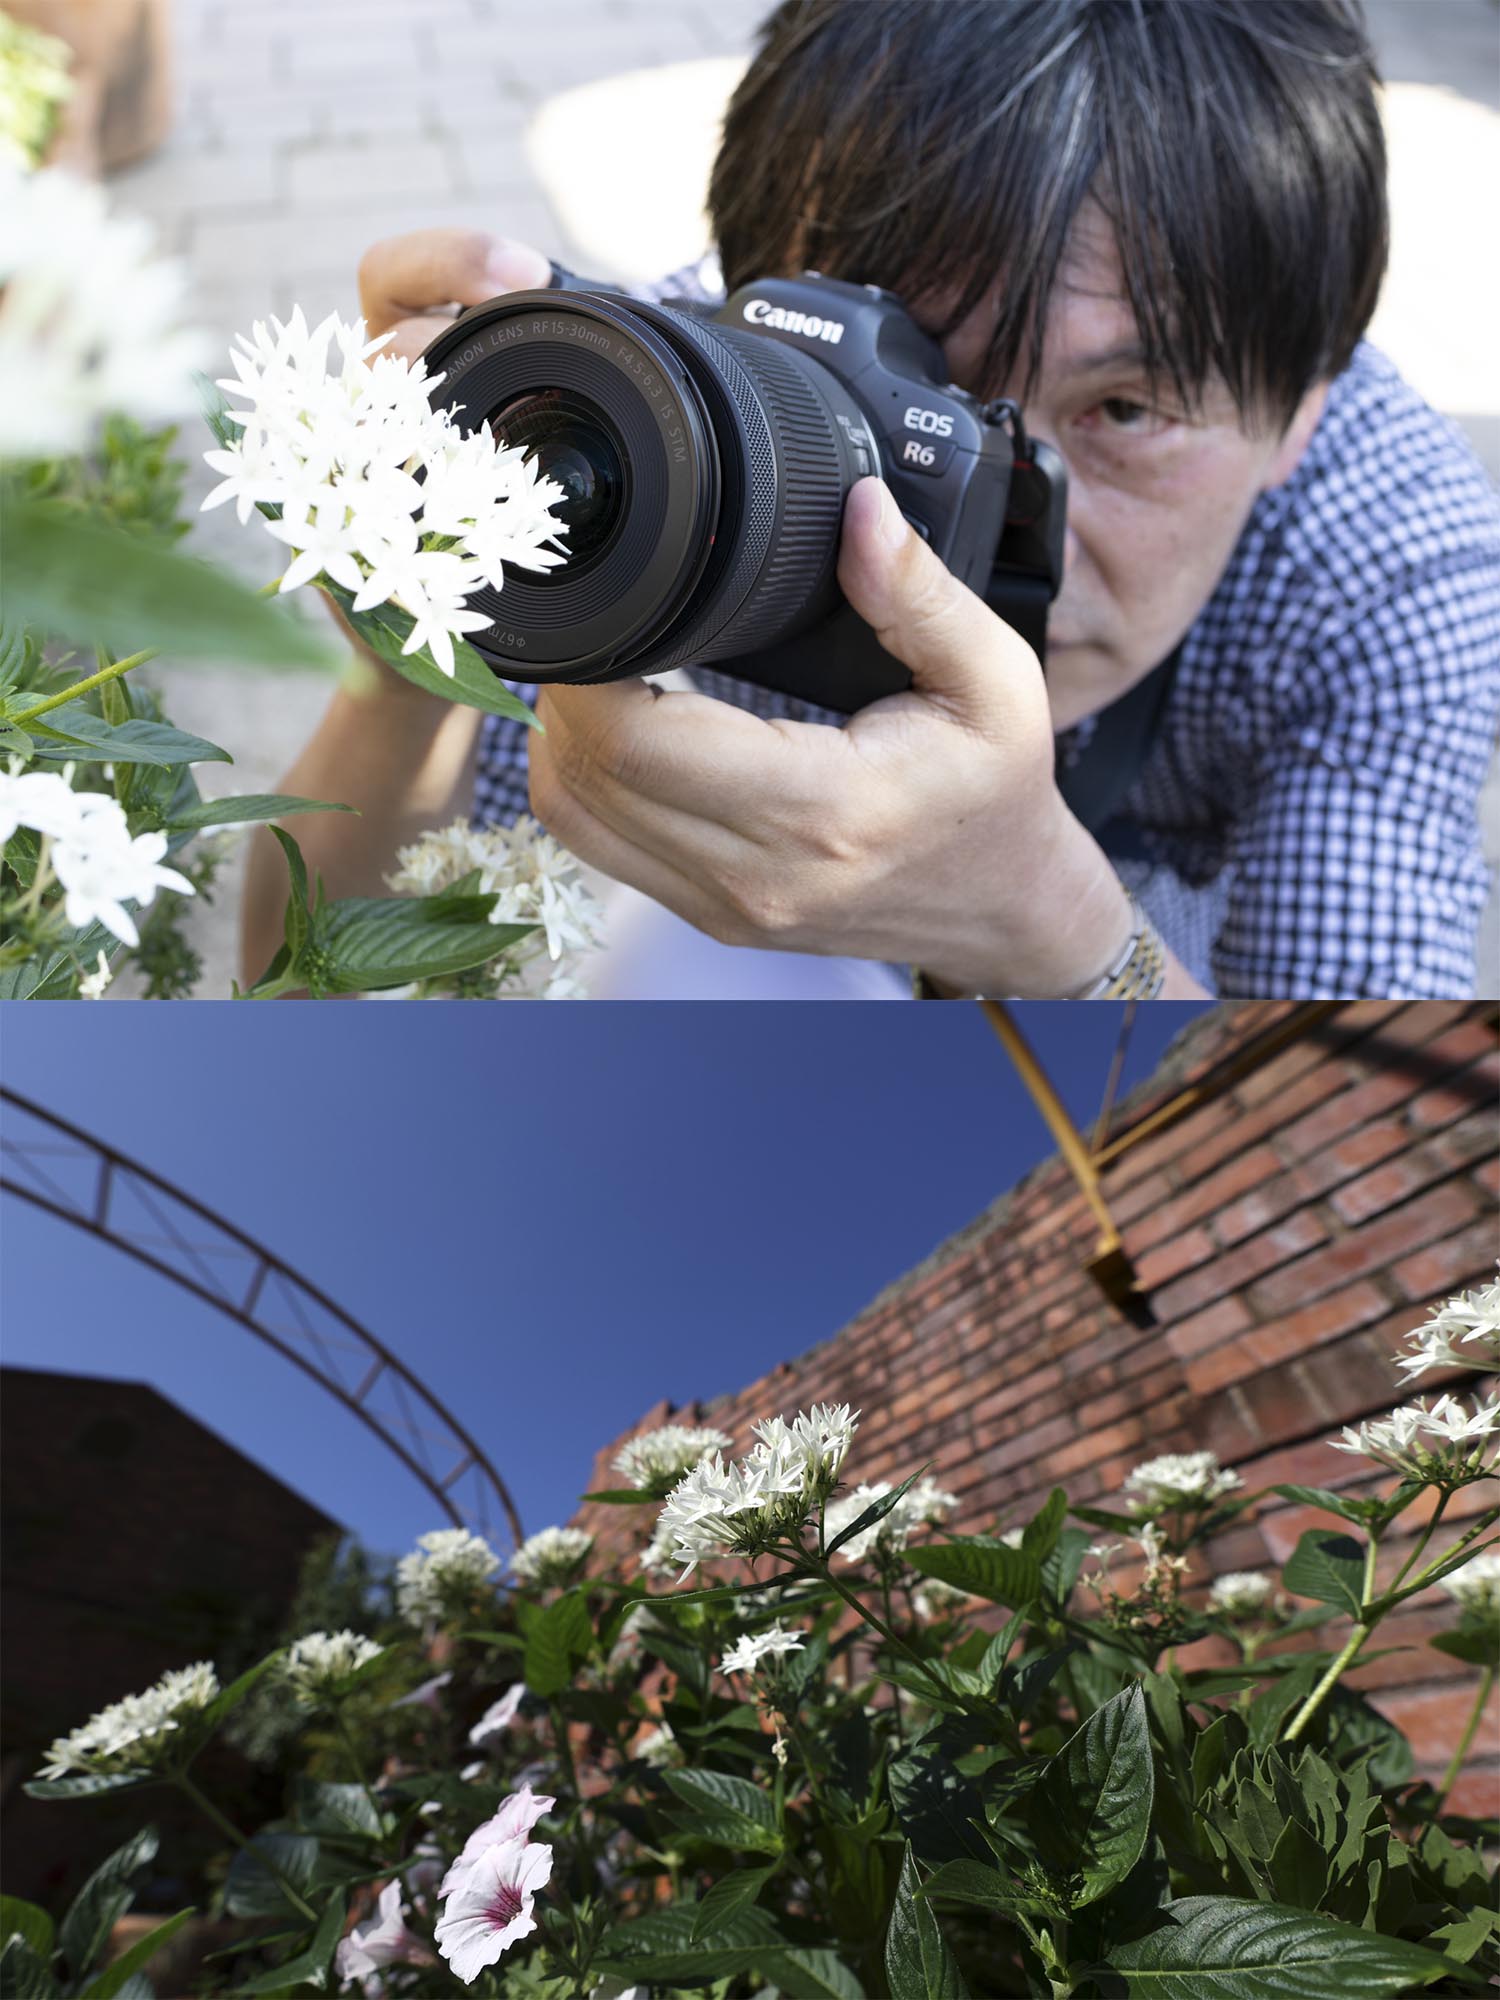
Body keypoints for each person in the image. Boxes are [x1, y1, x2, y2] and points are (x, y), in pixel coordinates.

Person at [243, 0, 1500, 1000]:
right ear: (768, 302)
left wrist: (1055, 927)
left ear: (1306, 411)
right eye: (928, 406)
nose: (1000, 545)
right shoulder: (677, 419)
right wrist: (409, 665)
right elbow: (295, 999)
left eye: (1124, 414)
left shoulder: (1398, 571)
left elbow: (1361, 1192)